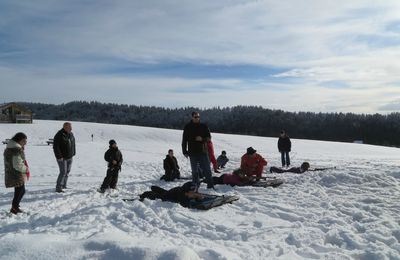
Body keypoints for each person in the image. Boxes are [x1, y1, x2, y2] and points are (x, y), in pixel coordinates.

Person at [182, 111, 214, 189]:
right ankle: (195, 186)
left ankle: (210, 186)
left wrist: (202, 139)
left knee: (207, 169)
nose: (197, 118)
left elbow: (209, 138)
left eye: (198, 117)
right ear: (192, 117)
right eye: (195, 117)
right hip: (192, 153)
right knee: (195, 171)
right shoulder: (187, 127)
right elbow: (184, 140)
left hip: (203, 151)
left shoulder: (204, 126)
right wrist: (184, 151)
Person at [4, 132, 29, 214]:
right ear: (20, 140)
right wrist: (26, 169)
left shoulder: (11, 147)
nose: (25, 142)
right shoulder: (16, 150)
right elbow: (17, 165)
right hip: (16, 174)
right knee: (20, 191)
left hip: (12, 173)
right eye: (24, 140)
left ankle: (15, 206)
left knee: (20, 191)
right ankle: (14, 208)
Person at [139, 181, 204, 208]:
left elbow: (193, 196)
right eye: (192, 191)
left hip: (170, 192)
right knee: (155, 195)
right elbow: (185, 204)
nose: (194, 192)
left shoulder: (186, 192)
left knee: (160, 190)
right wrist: (196, 197)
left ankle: (154, 188)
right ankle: (143, 195)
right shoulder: (182, 195)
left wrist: (197, 196)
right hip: (167, 196)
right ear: (187, 192)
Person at [53, 122, 76, 193]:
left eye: (71, 127)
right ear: (65, 127)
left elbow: (73, 144)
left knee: (67, 172)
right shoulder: (59, 135)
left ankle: (64, 185)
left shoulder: (71, 134)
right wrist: (59, 156)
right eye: (69, 127)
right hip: (62, 158)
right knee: (63, 172)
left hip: (70, 156)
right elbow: (55, 147)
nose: (71, 128)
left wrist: (73, 152)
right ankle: (58, 188)